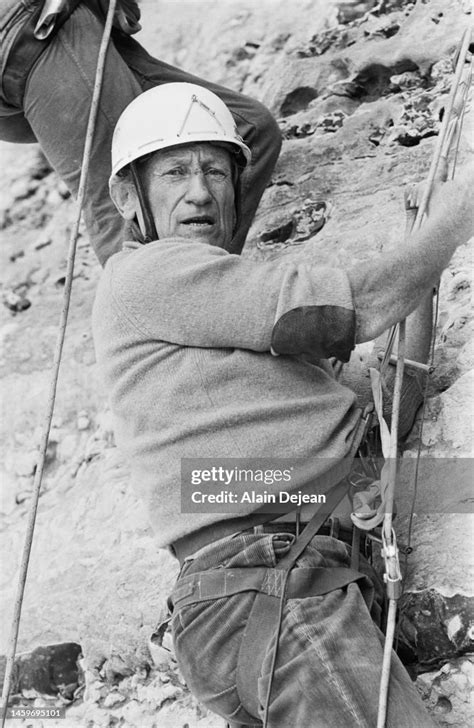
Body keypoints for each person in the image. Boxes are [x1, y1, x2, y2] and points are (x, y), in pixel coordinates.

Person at [91, 81, 473, 727]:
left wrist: (423, 275)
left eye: (216, 171)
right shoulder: (145, 276)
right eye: (176, 171)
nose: (201, 191)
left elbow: (382, 414)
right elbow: (345, 311)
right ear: (129, 197)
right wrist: (453, 223)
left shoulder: (224, 346)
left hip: (275, 588)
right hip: (271, 588)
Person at [0, 0, 281, 264]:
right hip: (36, 29)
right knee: (125, 206)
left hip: (70, 22)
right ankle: (172, 300)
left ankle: (203, 284)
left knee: (250, 129)